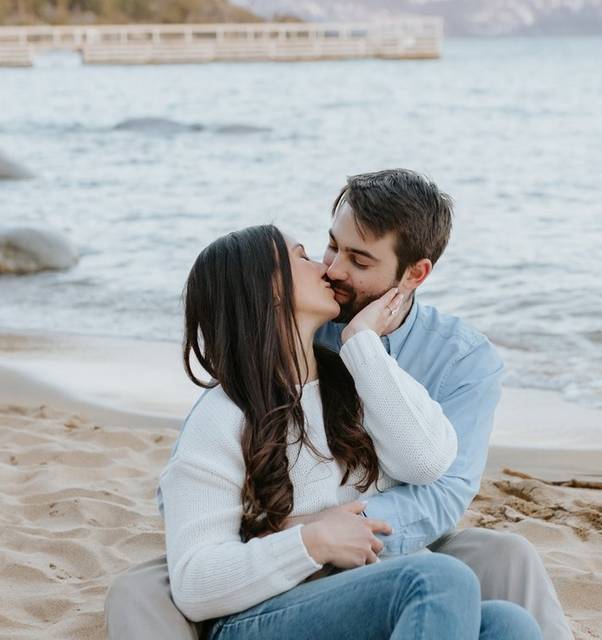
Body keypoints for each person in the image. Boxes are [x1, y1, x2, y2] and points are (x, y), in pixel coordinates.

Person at [105, 169, 573, 640]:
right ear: (269, 291)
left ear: (415, 274)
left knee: (508, 622)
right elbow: (193, 519)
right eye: (317, 251)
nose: (331, 269)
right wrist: (309, 538)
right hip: (268, 605)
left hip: (361, 580)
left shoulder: (370, 373)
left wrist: (362, 344)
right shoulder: (230, 411)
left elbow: (434, 472)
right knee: (437, 580)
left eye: (358, 259)